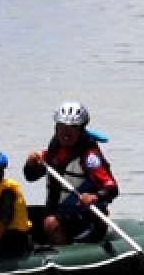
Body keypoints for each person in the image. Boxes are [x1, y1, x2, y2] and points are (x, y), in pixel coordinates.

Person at [23, 101, 119, 245]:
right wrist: (30, 165)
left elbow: (112, 188)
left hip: (86, 218)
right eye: (62, 126)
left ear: (81, 129)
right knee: (19, 214)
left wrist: (95, 196)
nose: (66, 133)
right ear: (56, 128)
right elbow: (30, 177)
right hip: (58, 212)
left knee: (51, 223)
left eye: (72, 127)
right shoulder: (54, 149)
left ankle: (61, 258)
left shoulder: (89, 156)